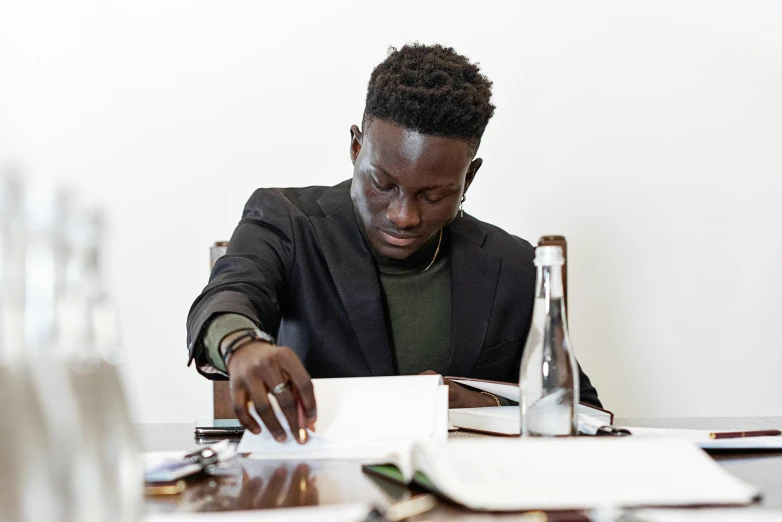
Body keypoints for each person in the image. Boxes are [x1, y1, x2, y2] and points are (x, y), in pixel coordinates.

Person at [186, 43, 601, 444]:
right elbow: (229, 294)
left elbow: (582, 410)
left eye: (434, 195)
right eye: (382, 184)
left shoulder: (511, 265)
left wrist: (478, 403)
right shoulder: (287, 221)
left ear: (467, 179)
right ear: (355, 148)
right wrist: (241, 344)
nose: (404, 216)